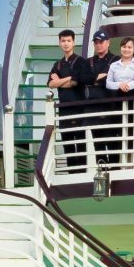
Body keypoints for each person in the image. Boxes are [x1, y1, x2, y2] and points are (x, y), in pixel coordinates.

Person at [45, 28, 88, 177]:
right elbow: (50, 84)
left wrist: (59, 81)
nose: (66, 43)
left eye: (68, 40)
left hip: (78, 108)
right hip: (63, 109)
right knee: (68, 145)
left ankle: (81, 177)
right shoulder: (57, 64)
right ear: (59, 43)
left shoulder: (80, 61)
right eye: (63, 41)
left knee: (80, 144)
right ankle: (71, 176)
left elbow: (74, 83)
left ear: (74, 42)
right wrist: (67, 78)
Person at [82, 29, 117, 173]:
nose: (98, 45)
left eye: (101, 42)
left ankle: (115, 172)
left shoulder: (115, 59)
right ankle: (102, 171)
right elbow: (83, 79)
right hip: (93, 108)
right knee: (98, 143)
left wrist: (96, 79)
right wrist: (98, 78)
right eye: (96, 42)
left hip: (111, 107)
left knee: (113, 141)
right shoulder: (88, 61)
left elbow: (112, 79)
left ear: (108, 43)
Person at [109, 35, 134, 163]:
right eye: (124, 46)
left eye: (129, 47)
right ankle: (122, 162)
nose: (126, 49)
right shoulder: (114, 65)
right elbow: (108, 83)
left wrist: (129, 85)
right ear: (120, 48)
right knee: (120, 130)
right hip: (118, 98)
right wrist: (119, 84)